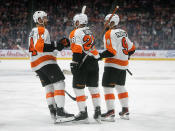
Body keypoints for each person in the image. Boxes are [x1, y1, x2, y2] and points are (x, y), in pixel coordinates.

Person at [28, 11, 74, 123]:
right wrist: (56, 44)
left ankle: (53, 111)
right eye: (43, 18)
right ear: (38, 19)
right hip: (46, 62)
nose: (46, 19)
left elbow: (42, 47)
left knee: (49, 87)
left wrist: (58, 46)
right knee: (59, 83)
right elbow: (40, 47)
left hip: (36, 64)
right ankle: (60, 112)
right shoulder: (41, 30)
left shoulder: (32, 32)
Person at [98, 14, 135, 121]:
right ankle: (125, 111)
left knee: (107, 87)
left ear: (112, 22)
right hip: (123, 65)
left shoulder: (109, 33)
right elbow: (132, 49)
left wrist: (99, 56)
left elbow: (111, 51)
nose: (104, 23)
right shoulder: (123, 32)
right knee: (120, 87)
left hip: (112, 65)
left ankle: (110, 112)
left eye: (106, 21)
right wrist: (125, 57)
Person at [69, 13, 101, 123]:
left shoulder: (76, 32)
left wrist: (75, 63)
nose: (74, 23)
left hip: (83, 63)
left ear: (78, 22)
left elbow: (77, 49)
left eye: (75, 21)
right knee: (94, 88)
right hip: (93, 63)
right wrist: (97, 56)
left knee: (78, 88)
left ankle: (83, 113)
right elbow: (93, 50)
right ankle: (98, 112)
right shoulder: (90, 31)